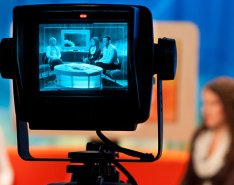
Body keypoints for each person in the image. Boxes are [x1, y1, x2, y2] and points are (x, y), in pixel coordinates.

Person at [180, 77, 234, 185]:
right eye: (204, 103)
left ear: (228, 105)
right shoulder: (200, 136)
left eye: (213, 103)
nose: (206, 110)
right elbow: (188, 178)